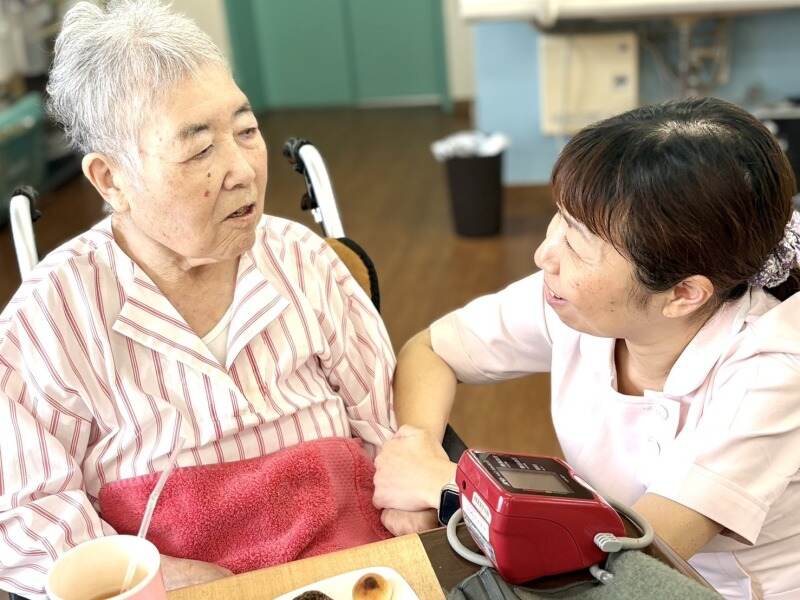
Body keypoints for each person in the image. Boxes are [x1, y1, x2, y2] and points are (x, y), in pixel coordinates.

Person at [0, 1, 395, 598]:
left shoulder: (304, 261)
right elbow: (24, 510)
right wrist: (157, 577)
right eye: (199, 149)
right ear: (111, 180)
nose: (243, 170)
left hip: (350, 575)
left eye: (246, 131)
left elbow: (385, 428)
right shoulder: (50, 317)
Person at [373, 98, 800, 600]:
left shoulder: (774, 370)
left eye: (577, 245)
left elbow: (636, 555)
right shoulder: (578, 301)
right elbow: (432, 349)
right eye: (560, 218)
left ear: (683, 294)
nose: (544, 255)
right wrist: (416, 449)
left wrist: (446, 486)